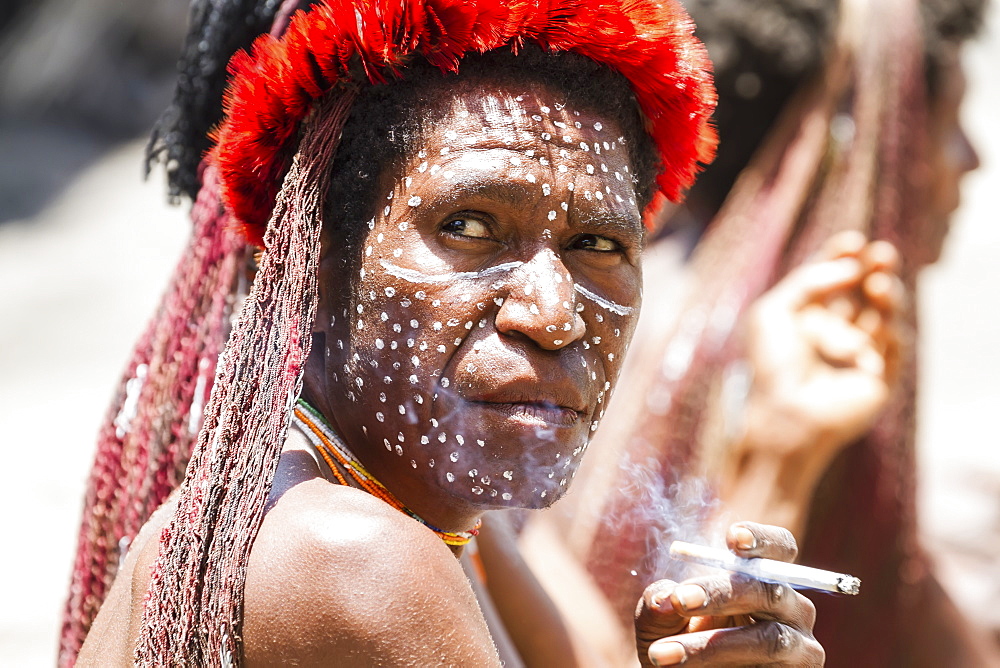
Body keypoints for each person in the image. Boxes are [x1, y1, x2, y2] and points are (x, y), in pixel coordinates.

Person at [69, 1, 826, 666]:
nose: (552, 314)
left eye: (598, 245)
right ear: (316, 262)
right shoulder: (352, 558)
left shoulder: (442, 518)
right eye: (468, 227)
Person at [520, 0, 996, 665]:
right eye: (943, 122)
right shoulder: (792, 359)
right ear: (864, 143)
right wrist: (782, 463)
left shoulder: (642, 286)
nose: (972, 158)